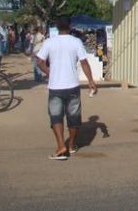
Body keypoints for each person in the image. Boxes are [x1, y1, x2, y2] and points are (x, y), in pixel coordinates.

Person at [36, 17, 98, 160]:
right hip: (73, 87)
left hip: (55, 87)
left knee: (56, 116)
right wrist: (91, 81)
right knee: (74, 118)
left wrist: (50, 72)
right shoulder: (76, 42)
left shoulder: (49, 42)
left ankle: (60, 146)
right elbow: (84, 62)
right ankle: (71, 145)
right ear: (70, 26)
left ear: (57, 27)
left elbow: (39, 62)